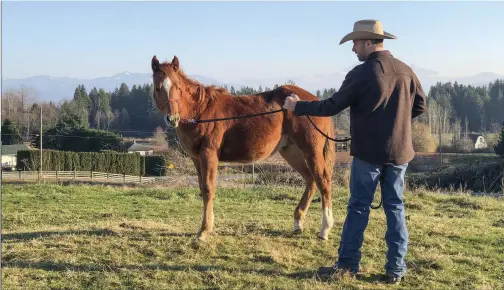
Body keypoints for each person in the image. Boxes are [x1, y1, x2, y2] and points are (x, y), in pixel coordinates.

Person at [283, 19, 427, 284]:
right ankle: (396, 269)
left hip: (369, 156)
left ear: (369, 42)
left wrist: (297, 107)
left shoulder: (361, 74)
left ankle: (347, 266)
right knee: (395, 208)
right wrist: (396, 124)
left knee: (359, 208)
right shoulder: (407, 71)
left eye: (355, 43)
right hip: (400, 154)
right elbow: (420, 105)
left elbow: (330, 106)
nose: (353, 50)